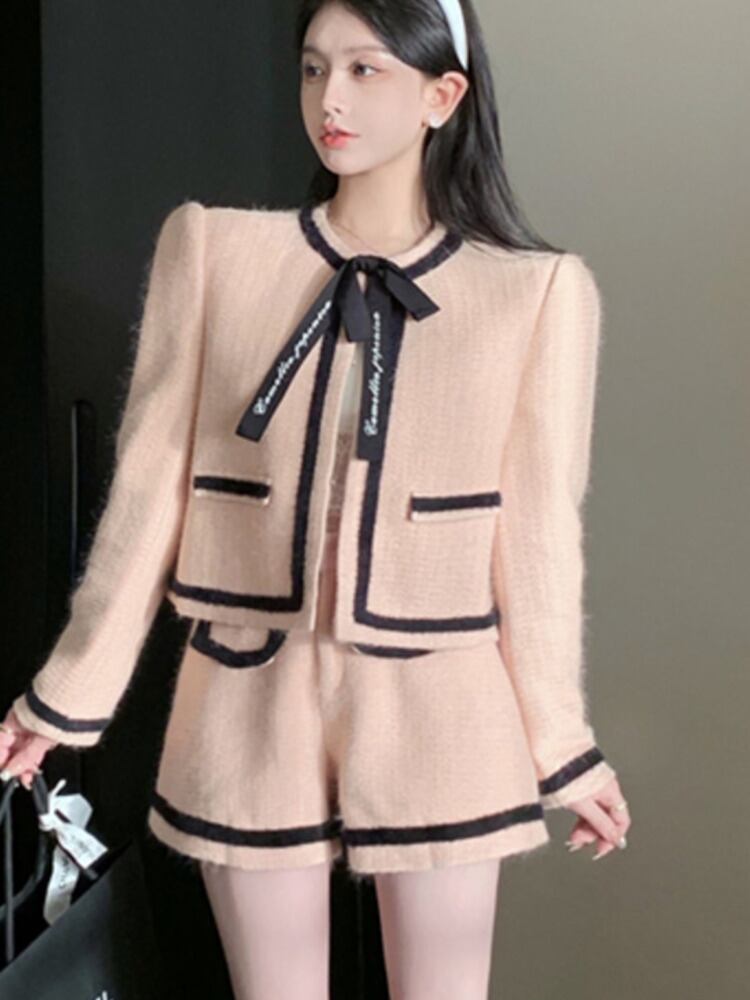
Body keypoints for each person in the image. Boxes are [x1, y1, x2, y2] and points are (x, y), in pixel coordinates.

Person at [1, 0, 632, 996]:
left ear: (442, 95)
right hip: (245, 678)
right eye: (312, 68)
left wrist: (564, 747)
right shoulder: (213, 252)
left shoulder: (536, 294)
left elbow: (542, 544)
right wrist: (67, 697)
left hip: (443, 689)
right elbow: (149, 494)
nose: (329, 99)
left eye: (364, 70)